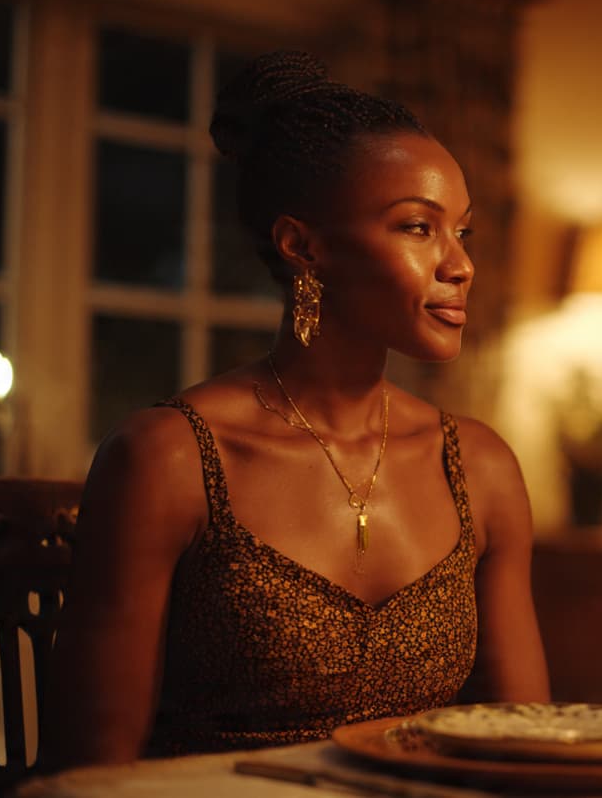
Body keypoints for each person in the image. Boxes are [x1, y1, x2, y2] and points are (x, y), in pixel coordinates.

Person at [43, 51, 549, 766]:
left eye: (461, 232)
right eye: (417, 227)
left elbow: (528, 744)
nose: (459, 265)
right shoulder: (168, 459)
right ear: (302, 246)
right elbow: (89, 775)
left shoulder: (481, 465)